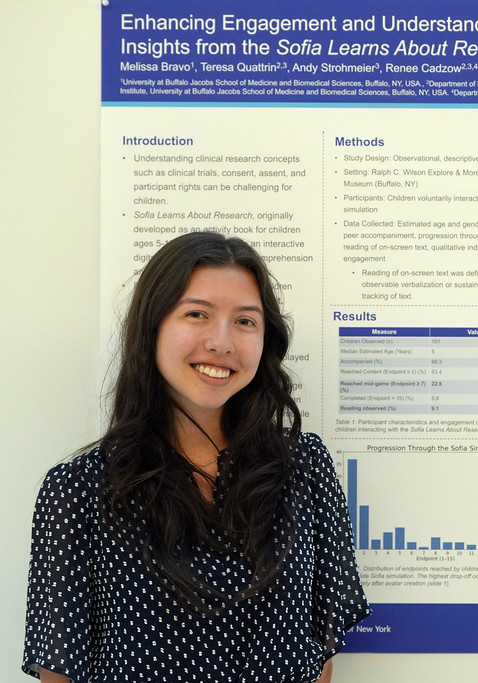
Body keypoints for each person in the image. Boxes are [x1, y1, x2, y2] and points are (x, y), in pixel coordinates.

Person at [23, 232, 370, 682]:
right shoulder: (78, 491)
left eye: (244, 321)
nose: (222, 342)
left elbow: (319, 653)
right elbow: (59, 670)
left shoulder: (304, 468)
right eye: (196, 314)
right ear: (152, 326)